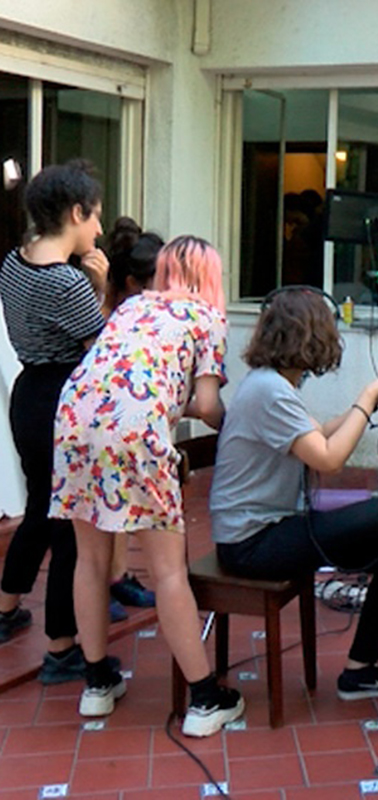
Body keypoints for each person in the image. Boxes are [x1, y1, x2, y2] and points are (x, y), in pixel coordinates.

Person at [51, 235, 243, 736]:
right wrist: (234, 423)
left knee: (91, 560)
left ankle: (97, 685)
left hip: (74, 422)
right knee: (168, 571)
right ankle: (205, 699)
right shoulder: (207, 318)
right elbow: (207, 405)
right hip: (135, 432)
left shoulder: (132, 306)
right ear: (211, 278)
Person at [208, 286, 378, 700]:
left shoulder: (270, 384)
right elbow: (328, 459)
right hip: (251, 544)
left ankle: (360, 671)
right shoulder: (270, 391)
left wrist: (370, 406)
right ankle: (359, 670)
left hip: (261, 532)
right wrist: (368, 395)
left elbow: (315, 434)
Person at [0, 160, 108, 685]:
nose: (99, 230)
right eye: (96, 217)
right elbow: (101, 353)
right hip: (65, 401)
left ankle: (5, 608)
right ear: (76, 212)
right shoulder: (67, 282)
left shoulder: (13, 261)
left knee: (42, 509)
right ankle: (62, 648)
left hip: (29, 396)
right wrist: (99, 287)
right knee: (69, 527)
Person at [99, 217, 164, 622]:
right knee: (100, 510)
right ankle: (99, 582)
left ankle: (118, 575)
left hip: (128, 421)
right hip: (98, 423)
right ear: (132, 284)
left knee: (121, 502)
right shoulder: (106, 317)